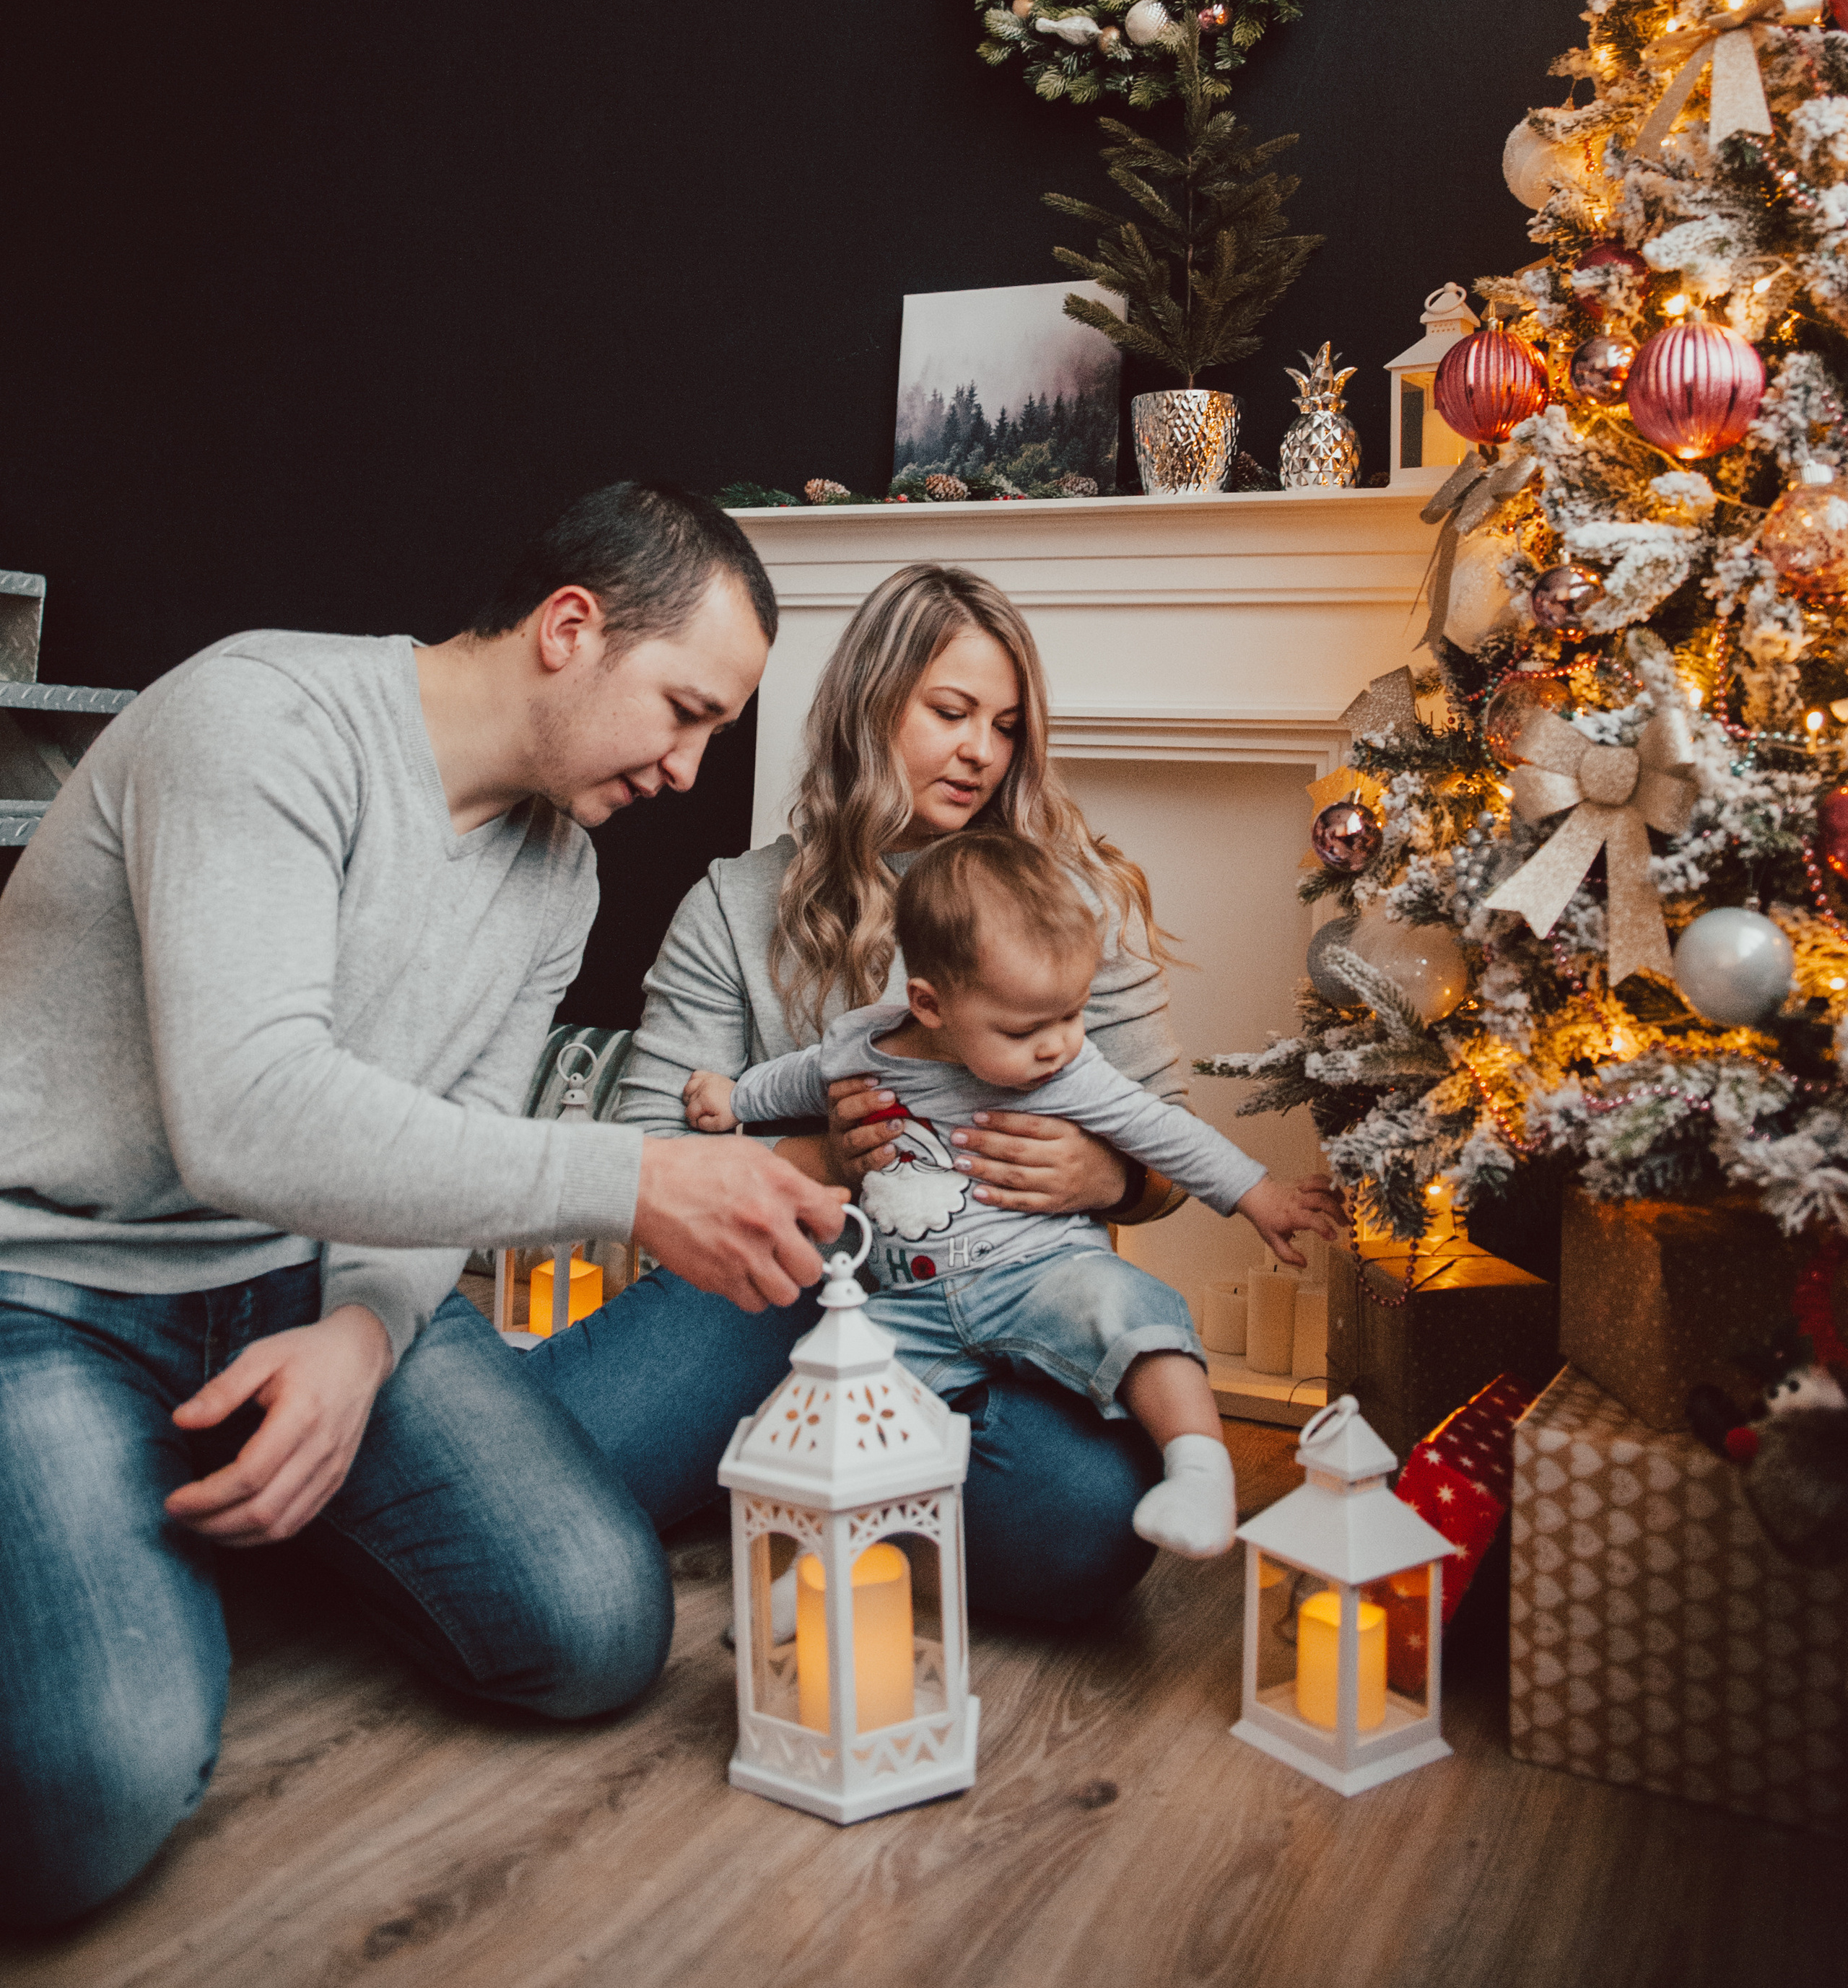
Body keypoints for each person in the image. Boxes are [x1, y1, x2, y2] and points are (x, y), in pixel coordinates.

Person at [0, 483, 846, 1929]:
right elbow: (248, 1113)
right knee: (91, 1797)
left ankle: (190, 1528)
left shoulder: (558, 872)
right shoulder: (259, 722)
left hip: (299, 1284)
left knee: (595, 1628)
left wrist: (365, 1335)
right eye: (686, 711)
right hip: (48, 1294)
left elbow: (447, 1141)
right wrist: (630, 1176)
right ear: (570, 629)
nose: (695, 769)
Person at [527, 560, 1273, 1621]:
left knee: (1085, 1524)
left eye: (1007, 725)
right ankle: (818, 1469)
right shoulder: (737, 904)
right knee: (560, 1463)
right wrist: (825, 1160)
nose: (981, 749)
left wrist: (1107, 1175)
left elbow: (1167, 1155)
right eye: (951, 710)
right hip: (785, 1290)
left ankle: (813, 1486)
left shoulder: (1072, 900)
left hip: (1007, 1304)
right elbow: (650, 1147)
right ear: (871, 707)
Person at [688, 829, 1339, 1562]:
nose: (1059, 1044)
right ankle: (817, 1577)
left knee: (1131, 1310)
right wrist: (735, 1096)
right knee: (841, 1405)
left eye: (1073, 1014)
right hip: (907, 1300)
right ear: (929, 1004)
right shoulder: (859, 1045)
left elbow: (1162, 1131)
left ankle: (1198, 1471)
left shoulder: (1068, 1071)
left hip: (1044, 1273)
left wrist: (1258, 1195)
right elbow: (802, 1075)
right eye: (1026, 1028)